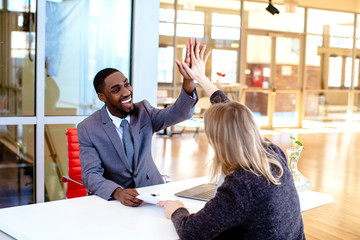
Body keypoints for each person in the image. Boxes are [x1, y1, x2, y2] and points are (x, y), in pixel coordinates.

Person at [157, 39, 305, 240]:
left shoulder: (240, 185)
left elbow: (191, 232)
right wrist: (201, 77)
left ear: (218, 140)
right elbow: (233, 114)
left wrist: (177, 210)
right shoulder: (272, 153)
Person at [77, 50, 198, 207]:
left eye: (126, 84)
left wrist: (188, 80)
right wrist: (118, 192)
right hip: (117, 202)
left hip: (154, 193)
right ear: (102, 97)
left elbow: (179, 113)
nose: (126, 92)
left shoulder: (144, 112)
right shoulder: (88, 128)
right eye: (116, 90)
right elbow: (90, 175)